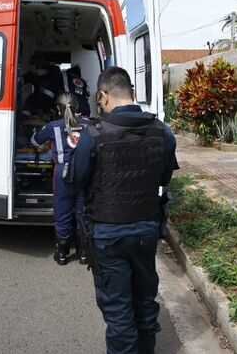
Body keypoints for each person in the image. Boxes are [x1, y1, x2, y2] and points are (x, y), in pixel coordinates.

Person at [70, 67, 178, 354]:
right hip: (145, 230)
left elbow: (77, 181)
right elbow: (164, 178)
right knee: (144, 303)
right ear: (132, 93)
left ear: (103, 96)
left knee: (119, 314)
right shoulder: (162, 132)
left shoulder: (92, 135)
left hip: (108, 235)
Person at [32, 93, 90, 265]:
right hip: (84, 172)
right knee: (83, 212)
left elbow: (35, 141)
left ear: (57, 109)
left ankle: (62, 254)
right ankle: (84, 254)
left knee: (62, 211)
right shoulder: (89, 125)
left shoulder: (52, 126)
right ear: (77, 107)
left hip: (62, 173)